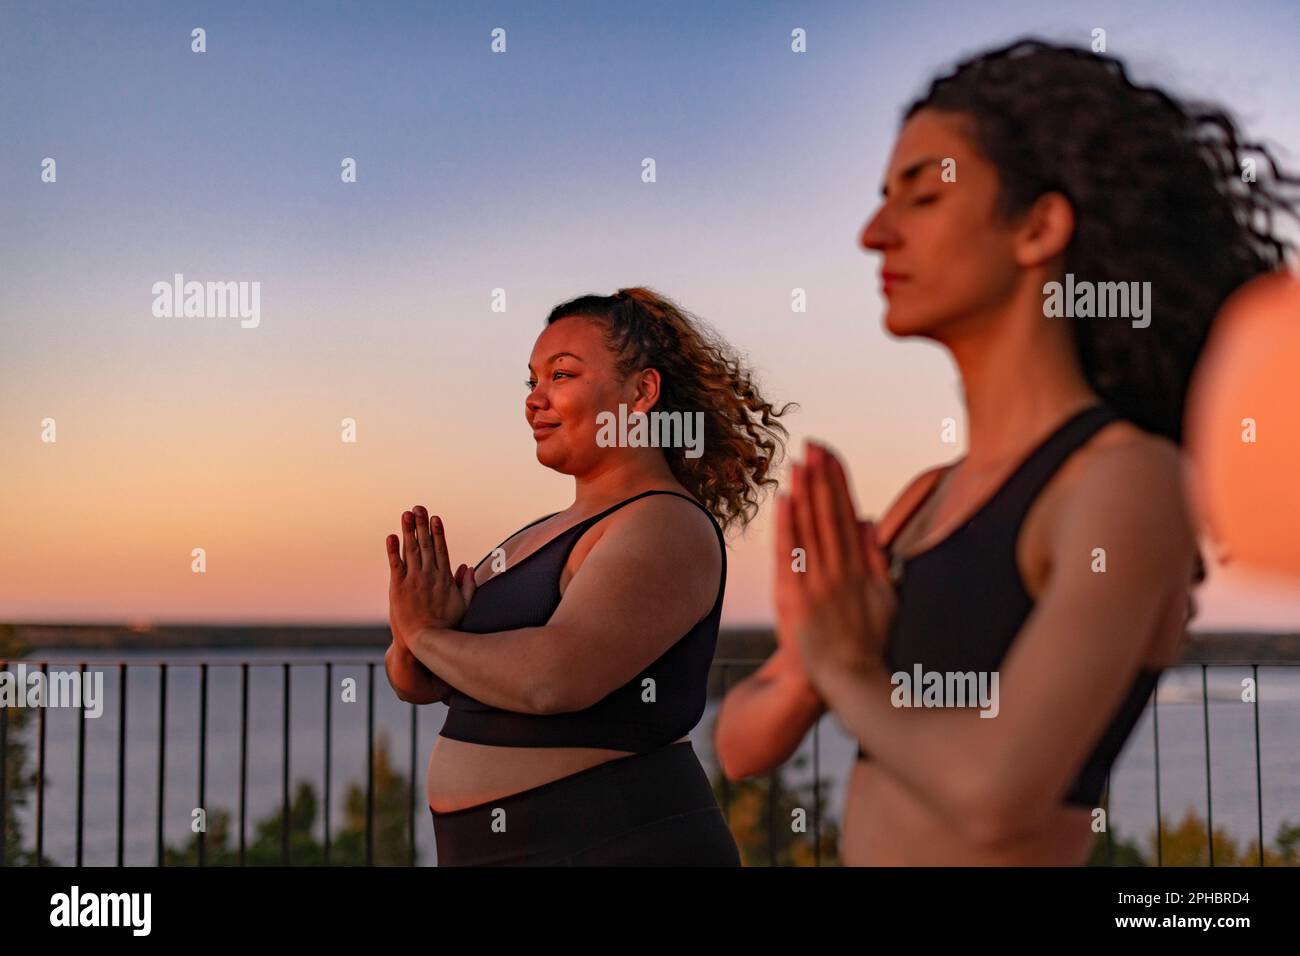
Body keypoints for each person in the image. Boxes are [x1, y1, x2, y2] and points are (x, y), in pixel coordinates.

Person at [716, 38, 1299, 865]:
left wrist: (847, 672)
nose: (872, 233)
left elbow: (998, 794)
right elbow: (741, 745)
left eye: (921, 198)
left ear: (1038, 228)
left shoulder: (1125, 482)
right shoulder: (928, 497)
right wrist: (818, 650)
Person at [385, 287, 792, 865]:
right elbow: (418, 680)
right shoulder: (540, 534)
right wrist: (414, 639)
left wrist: (426, 636)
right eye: (531, 382)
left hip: (619, 843)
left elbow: (554, 679)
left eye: (562, 376)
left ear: (642, 390)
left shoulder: (665, 524)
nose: (535, 400)